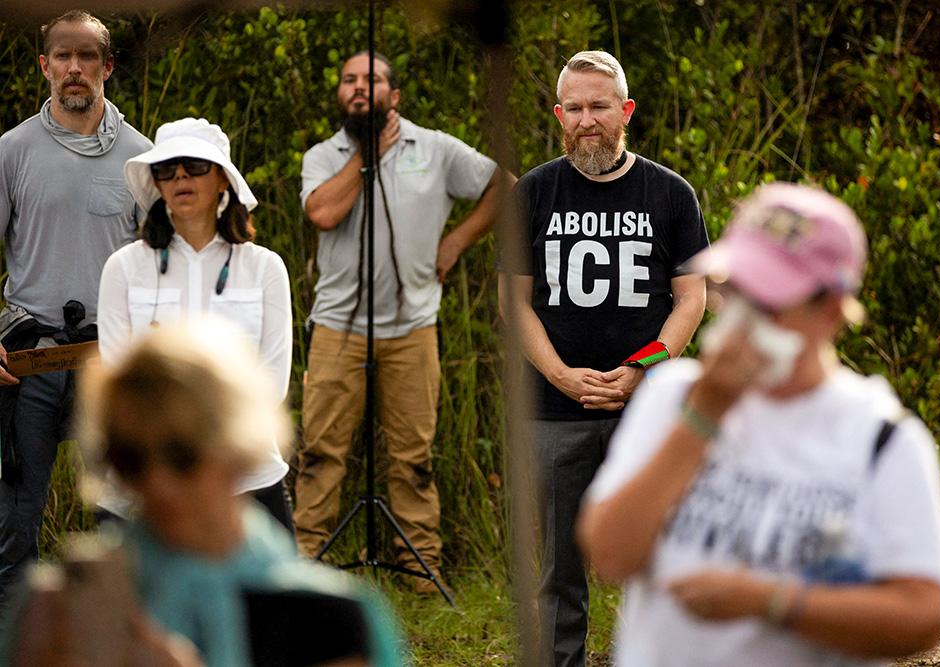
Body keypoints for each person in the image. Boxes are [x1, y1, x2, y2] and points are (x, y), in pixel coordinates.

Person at [577, 182, 940, 666]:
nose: (739, 317)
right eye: (733, 289)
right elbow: (610, 555)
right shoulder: (673, 396)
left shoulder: (881, 439)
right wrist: (704, 415)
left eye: (766, 302)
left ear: (831, 311)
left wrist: (771, 602)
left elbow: (922, 616)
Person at [2, 319, 404, 667]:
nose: (157, 483)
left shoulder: (331, 619)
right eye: (130, 458)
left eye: (183, 454)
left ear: (239, 446)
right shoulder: (62, 605)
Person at [498, 51, 709, 667]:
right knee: (560, 568)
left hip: (646, 409)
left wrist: (640, 371)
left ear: (626, 111)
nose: (587, 120)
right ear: (559, 114)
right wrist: (561, 375)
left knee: (660, 552)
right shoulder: (533, 192)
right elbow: (514, 304)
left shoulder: (671, 193)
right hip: (552, 410)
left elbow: (691, 300)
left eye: (600, 106)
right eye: (576, 108)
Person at [296, 51, 514, 589]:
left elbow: (508, 187)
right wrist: (365, 157)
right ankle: (304, 571)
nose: (358, 88)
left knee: (414, 458)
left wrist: (459, 240)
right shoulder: (325, 156)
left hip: (413, 330)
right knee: (321, 453)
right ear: (340, 96)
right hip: (336, 330)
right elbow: (323, 212)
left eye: (371, 80)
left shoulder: (435, 148)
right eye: (348, 80)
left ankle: (420, 570)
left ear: (394, 96)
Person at [0, 10, 153, 615]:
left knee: (116, 511)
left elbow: (155, 268)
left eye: (86, 56)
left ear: (107, 66)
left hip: (109, 360)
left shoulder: (143, 157)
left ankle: (111, 635)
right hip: (27, 357)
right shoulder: (11, 151)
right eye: (61, 56)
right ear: (44, 66)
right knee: (16, 513)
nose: (73, 68)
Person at [97, 117, 294, 532]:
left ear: (223, 179)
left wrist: (213, 457)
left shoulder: (265, 268)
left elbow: (271, 382)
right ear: (157, 183)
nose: (181, 176)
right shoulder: (124, 268)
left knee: (267, 598)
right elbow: (119, 377)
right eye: (167, 168)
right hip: (144, 478)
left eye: (196, 165)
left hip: (247, 474)